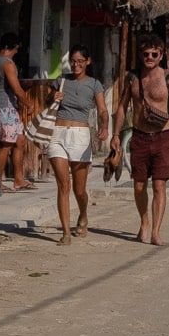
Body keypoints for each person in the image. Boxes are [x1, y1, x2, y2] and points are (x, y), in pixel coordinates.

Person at [38, 49, 110, 243]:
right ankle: (66, 233)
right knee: (63, 185)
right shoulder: (61, 80)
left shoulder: (94, 84)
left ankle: (83, 214)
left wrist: (104, 126)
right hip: (58, 133)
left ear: (87, 61)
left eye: (80, 61)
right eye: (73, 61)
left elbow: (103, 110)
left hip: (80, 136)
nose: (76, 64)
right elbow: (46, 101)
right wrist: (53, 97)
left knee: (79, 190)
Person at [128, 35, 169, 246]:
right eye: (145, 54)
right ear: (140, 55)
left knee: (159, 186)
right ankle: (144, 222)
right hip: (139, 137)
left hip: (163, 138)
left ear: (161, 55)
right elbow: (121, 108)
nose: (149, 57)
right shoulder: (132, 78)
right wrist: (114, 136)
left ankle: (156, 232)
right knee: (139, 186)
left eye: (154, 54)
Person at [0, 32, 32, 192]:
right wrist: (28, 104)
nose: (16, 52)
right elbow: (17, 89)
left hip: (6, 106)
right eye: (15, 49)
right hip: (4, 107)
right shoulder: (7, 64)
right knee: (6, 144)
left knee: (20, 140)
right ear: (11, 47)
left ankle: (19, 179)